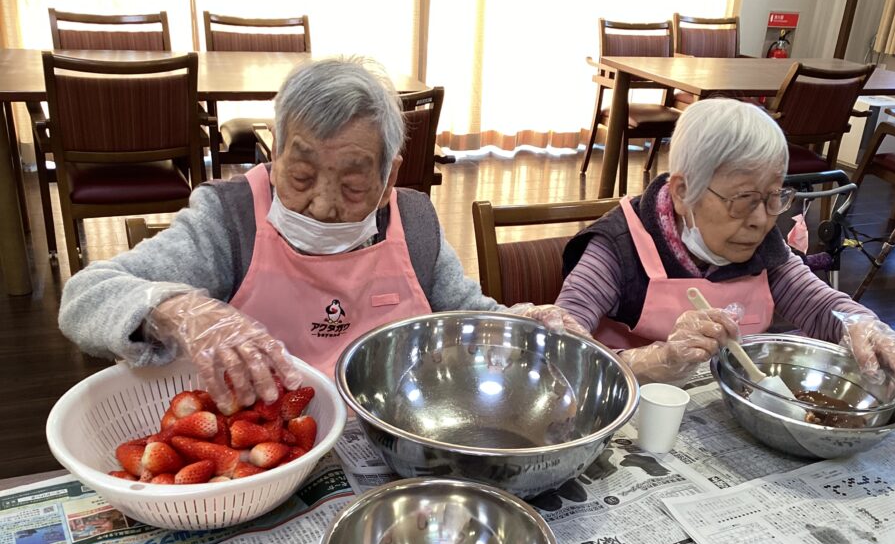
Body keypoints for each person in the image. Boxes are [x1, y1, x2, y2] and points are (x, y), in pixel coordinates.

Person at [59, 57, 571, 414]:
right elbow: (85, 296)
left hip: (385, 444)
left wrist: (523, 320)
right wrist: (178, 309)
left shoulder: (414, 223)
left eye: (352, 184)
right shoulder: (227, 222)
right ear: (275, 152)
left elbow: (465, 312)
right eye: (301, 177)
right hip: (264, 453)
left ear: (390, 176)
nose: (323, 206)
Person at [556, 98, 895, 410]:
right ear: (683, 192)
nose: (762, 221)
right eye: (744, 200)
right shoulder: (617, 247)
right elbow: (563, 351)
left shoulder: (764, 246)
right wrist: (658, 360)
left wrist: (866, 328)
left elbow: (822, 307)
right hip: (628, 409)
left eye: (774, 198)